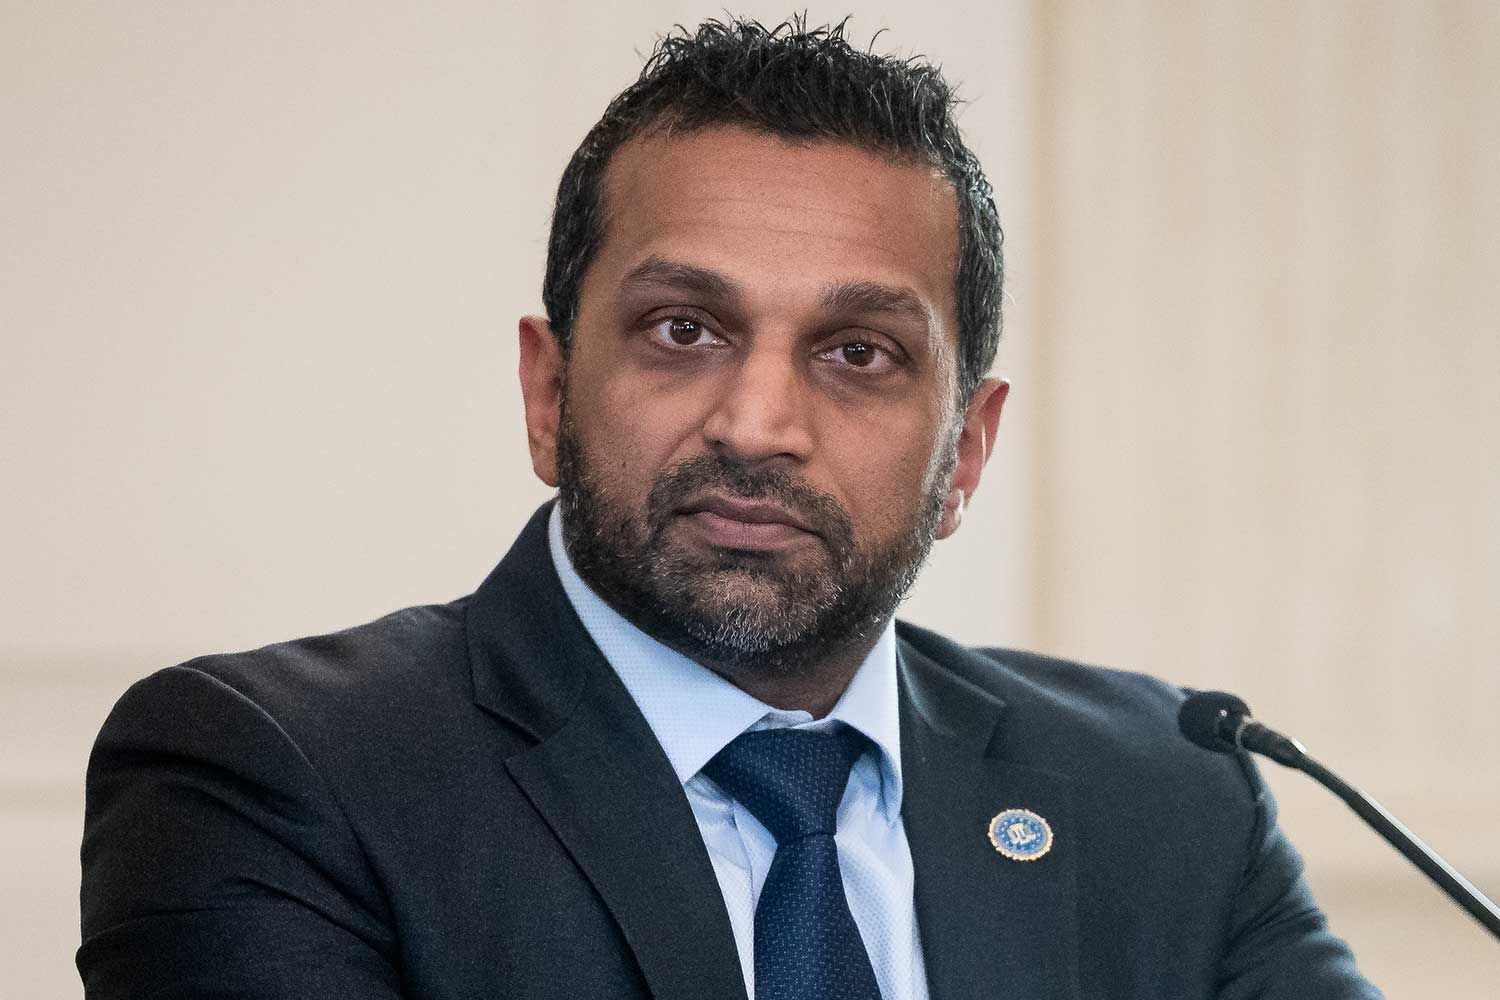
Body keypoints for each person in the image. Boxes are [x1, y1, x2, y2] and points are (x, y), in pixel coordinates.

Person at [78, 17, 1381, 1000]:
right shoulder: (270, 775)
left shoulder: (1172, 795)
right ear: (548, 392)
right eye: (684, 329)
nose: (757, 424)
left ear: (965, 453)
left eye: (859, 352)